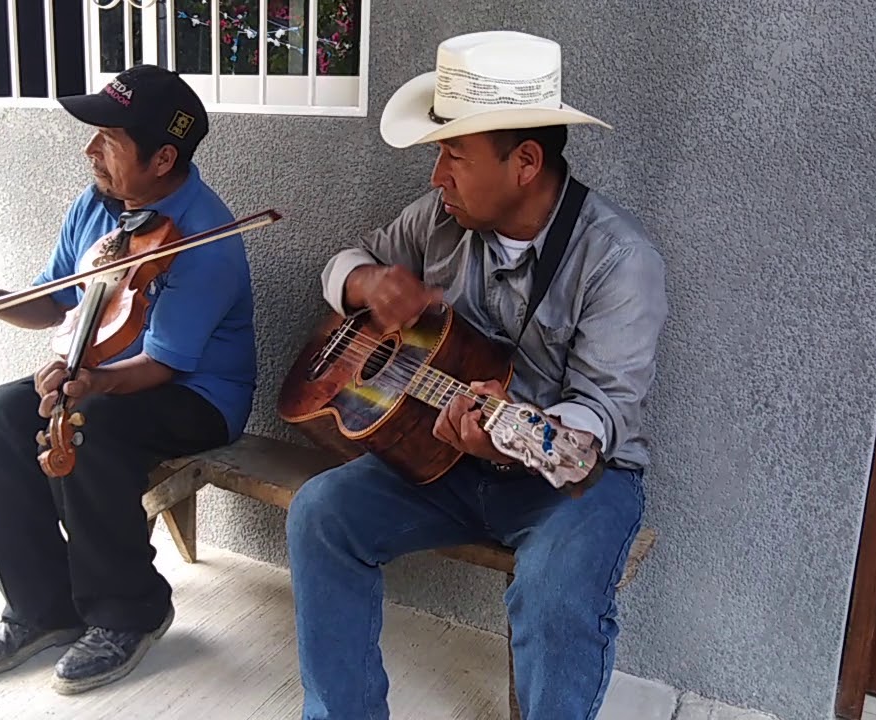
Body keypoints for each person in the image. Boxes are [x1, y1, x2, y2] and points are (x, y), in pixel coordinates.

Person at [285, 31, 668, 719]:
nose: (437, 177)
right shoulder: (438, 219)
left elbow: (603, 412)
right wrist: (369, 282)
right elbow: (341, 266)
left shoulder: (618, 258)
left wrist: (511, 437)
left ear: (524, 162)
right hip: (445, 460)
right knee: (321, 514)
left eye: (453, 155)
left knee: (553, 595)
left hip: (576, 481)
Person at [0, 64, 257, 695]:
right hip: (106, 375)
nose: (91, 150)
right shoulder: (98, 204)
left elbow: (164, 363)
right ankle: (38, 607)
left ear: (164, 157)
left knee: (88, 421)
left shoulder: (205, 238)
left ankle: (130, 610)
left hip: (197, 395)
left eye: (108, 140)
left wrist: (90, 384)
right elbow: (55, 300)